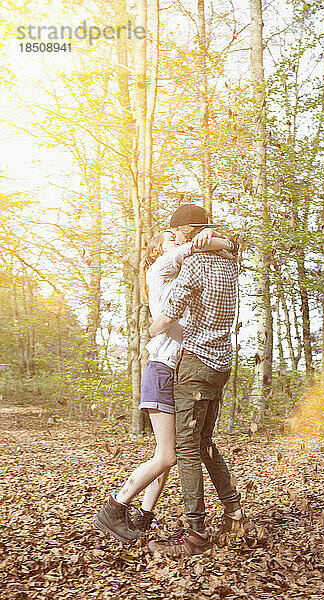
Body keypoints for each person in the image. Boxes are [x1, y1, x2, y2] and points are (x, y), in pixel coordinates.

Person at [94, 227, 234, 544]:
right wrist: (216, 239)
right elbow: (189, 251)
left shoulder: (183, 280)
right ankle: (114, 508)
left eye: (179, 237)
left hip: (177, 372)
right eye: (170, 238)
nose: (178, 241)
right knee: (169, 456)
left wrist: (216, 243)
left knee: (169, 453)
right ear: (159, 250)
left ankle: (143, 517)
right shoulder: (159, 269)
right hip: (161, 370)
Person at [147, 204, 253, 558]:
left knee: (188, 449)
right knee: (205, 442)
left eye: (176, 232)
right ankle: (235, 512)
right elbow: (232, 247)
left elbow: (167, 317)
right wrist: (222, 242)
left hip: (194, 366)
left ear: (185, 231)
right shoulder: (230, 264)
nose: (173, 237)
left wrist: (150, 329)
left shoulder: (192, 265)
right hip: (222, 365)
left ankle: (196, 534)